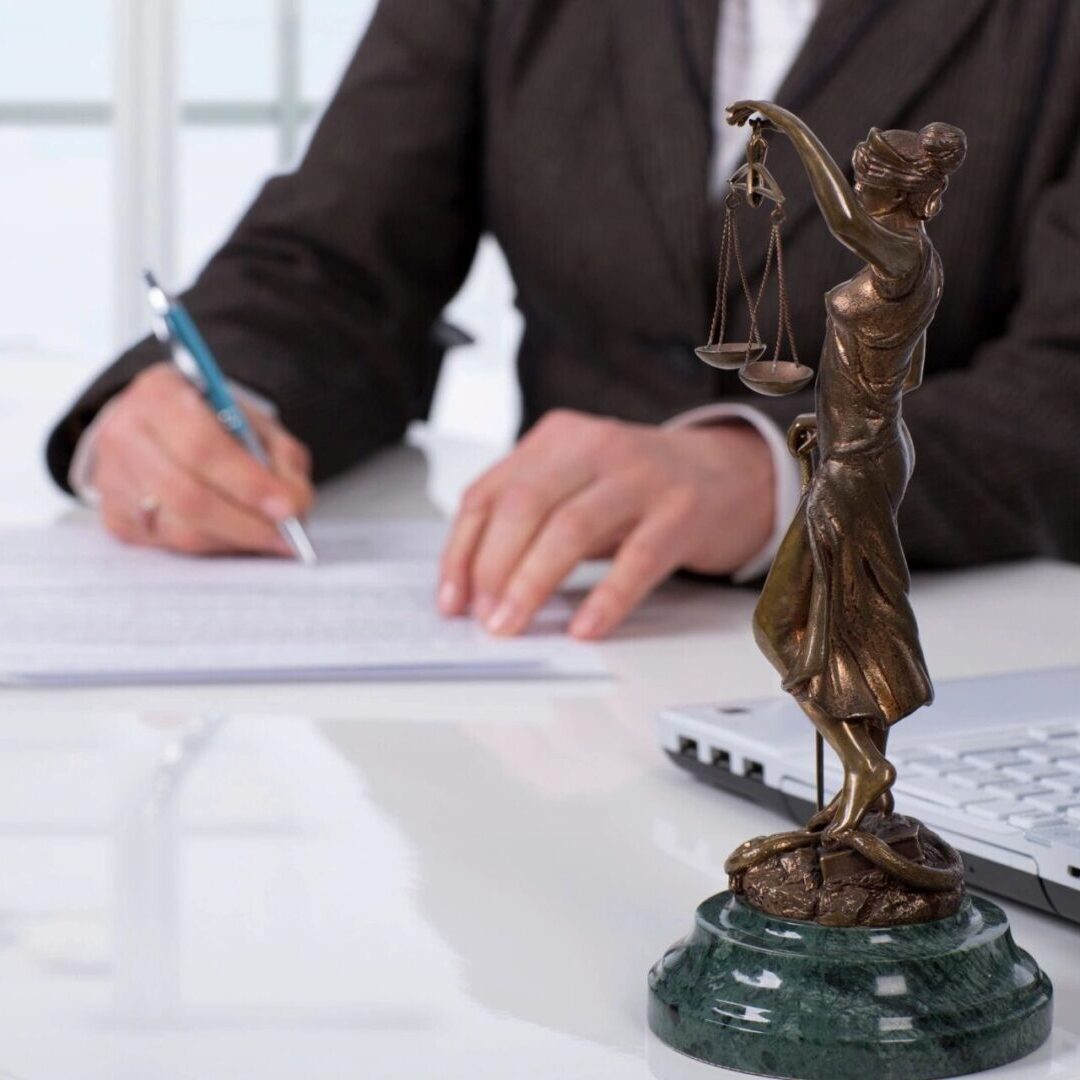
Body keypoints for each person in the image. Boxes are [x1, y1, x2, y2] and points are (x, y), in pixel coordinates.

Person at [46, 0, 1080, 640]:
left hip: (948, 648)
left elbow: (1064, 388)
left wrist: (772, 470)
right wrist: (191, 404)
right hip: (548, 650)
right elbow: (335, 255)